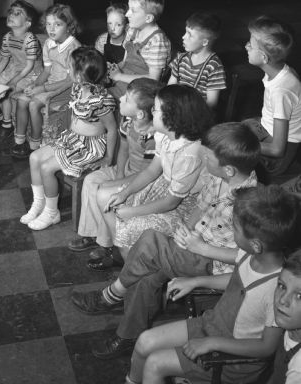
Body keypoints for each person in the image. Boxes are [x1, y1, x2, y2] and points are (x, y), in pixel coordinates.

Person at [71, 121, 261, 360]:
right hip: (193, 245)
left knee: (150, 240)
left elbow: (247, 258)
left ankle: (113, 294)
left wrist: (199, 247)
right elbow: (201, 206)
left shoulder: (250, 206)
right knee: (146, 274)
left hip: (212, 262)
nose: (204, 161)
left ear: (230, 169)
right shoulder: (220, 179)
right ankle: (129, 336)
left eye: (208, 159)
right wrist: (185, 230)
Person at [129, 186, 299, 384]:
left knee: (155, 364)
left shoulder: (278, 287)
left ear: (256, 244)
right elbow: (238, 282)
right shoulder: (249, 255)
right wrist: (196, 281)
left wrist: (211, 343)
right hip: (212, 325)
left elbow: (266, 346)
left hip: (233, 361)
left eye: (234, 227)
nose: (230, 227)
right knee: (144, 342)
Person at [91, 85, 212, 268]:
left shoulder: (189, 154)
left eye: (155, 110)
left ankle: (133, 271)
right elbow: (152, 171)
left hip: (187, 205)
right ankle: (130, 261)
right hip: (166, 187)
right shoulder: (164, 136)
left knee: (125, 226)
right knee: (118, 206)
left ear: (171, 118)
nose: (151, 112)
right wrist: (124, 193)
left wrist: (130, 212)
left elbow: (172, 203)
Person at [20, 47, 118, 230]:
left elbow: (112, 129)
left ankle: (51, 212)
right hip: (72, 138)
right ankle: (39, 203)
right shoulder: (77, 88)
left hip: (88, 146)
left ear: (80, 75)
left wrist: (108, 158)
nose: (68, 70)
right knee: (34, 158)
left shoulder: (101, 100)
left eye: (70, 67)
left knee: (47, 167)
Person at [67, 77, 160, 259]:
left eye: (126, 98)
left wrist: (121, 182)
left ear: (140, 114)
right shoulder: (128, 122)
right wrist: (118, 174)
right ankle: (94, 234)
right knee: (91, 180)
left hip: (144, 179)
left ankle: (108, 245)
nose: (121, 98)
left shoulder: (152, 138)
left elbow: (149, 173)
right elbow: (124, 150)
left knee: (105, 192)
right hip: (126, 169)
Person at [11, 3, 81, 159]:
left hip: (67, 88)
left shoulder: (74, 48)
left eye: (57, 25)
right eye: (48, 24)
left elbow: (71, 80)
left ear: (69, 26)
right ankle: (19, 141)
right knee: (22, 99)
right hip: (50, 83)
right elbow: (47, 70)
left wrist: (43, 89)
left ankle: (35, 144)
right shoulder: (49, 43)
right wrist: (35, 84)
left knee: (34, 104)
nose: (51, 29)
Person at [244, 16, 301, 181]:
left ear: (263, 58)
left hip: (277, 158)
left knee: (230, 147)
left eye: (251, 45)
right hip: (268, 129)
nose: (246, 46)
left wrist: (244, 145)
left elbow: (277, 150)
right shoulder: (281, 70)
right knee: (238, 129)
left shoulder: (281, 91)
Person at [0, 0, 43, 137]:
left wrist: (13, 81)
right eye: (10, 12)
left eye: (17, 13)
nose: (11, 15)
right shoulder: (7, 37)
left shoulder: (30, 39)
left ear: (27, 23)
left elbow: (29, 66)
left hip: (30, 72)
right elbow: (4, 59)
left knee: (6, 90)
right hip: (15, 67)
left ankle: (7, 125)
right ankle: (6, 119)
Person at [109, 0, 171, 99]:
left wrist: (119, 76)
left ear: (148, 18)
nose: (127, 14)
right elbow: (126, 60)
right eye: (129, 8)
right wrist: (113, 69)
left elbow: (153, 80)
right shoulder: (133, 29)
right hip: (123, 80)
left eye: (133, 10)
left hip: (141, 91)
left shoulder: (157, 41)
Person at [168, 11, 226, 109]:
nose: (183, 37)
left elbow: (211, 102)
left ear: (204, 42)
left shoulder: (214, 66)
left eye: (190, 35)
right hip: (177, 105)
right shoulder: (181, 58)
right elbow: (170, 86)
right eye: (185, 32)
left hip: (197, 111)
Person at [274, 248, 301, 384]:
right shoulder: (291, 326)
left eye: (299, 296)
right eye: (282, 286)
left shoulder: (299, 368)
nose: (283, 300)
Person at [94, 2, 129, 69]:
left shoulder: (130, 42)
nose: (112, 28)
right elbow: (96, 61)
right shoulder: (102, 40)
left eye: (118, 25)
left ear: (126, 26)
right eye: (110, 23)